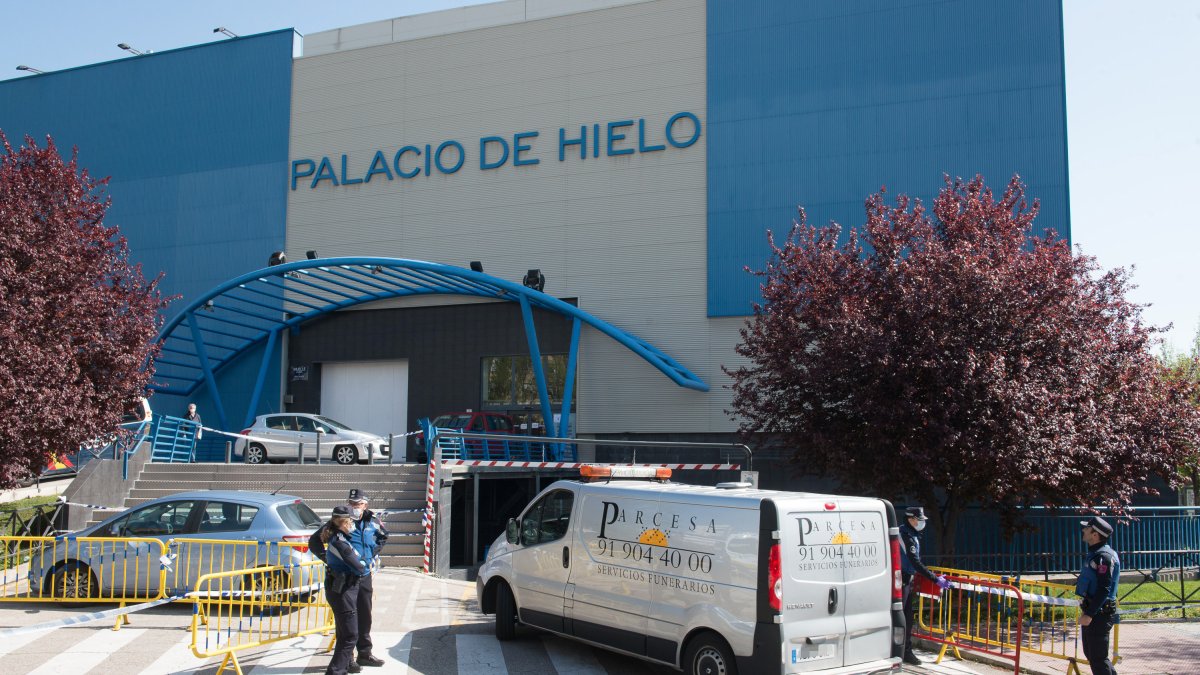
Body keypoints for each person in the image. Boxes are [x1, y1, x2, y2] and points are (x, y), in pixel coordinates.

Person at [309, 505, 369, 675]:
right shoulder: (340, 542)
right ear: (344, 522)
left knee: (345, 634)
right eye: (350, 521)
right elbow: (358, 567)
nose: (353, 524)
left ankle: (341, 668)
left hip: (341, 589)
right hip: (343, 591)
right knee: (350, 635)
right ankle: (336, 671)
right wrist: (366, 563)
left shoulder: (335, 536)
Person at [898, 506, 951, 666]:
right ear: (910, 519)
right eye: (919, 519)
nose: (921, 523)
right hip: (901, 580)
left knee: (907, 618)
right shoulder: (905, 535)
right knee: (903, 618)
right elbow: (914, 561)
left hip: (906, 580)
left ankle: (903, 650)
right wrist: (935, 579)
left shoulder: (910, 534)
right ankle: (903, 652)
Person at [346, 488, 388, 668]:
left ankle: (365, 653)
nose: (355, 507)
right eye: (353, 503)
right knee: (347, 617)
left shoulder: (373, 521)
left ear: (366, 504)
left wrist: (372, 552)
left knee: (365, 615)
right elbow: (320, 540)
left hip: (364, 576)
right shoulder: (342, 519)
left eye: (359, 504)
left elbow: (384, 536)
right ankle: (346, 657)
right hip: (346, 577)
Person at [1076, 516, 1119, 675]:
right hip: (1093, 610)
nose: (1083, 530)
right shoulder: (1095, 554)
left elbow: (1104, 589)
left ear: (1095, 534)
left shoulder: (1104, 557)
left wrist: (1089, 614)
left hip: (1099, 613)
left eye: (1087, 528)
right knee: (1093, 655)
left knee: (1098, 658)